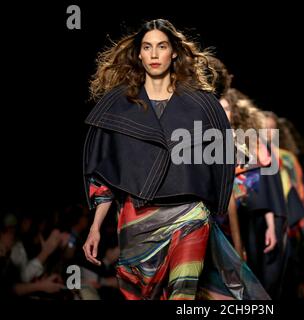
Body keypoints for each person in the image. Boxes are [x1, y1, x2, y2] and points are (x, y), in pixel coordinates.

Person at [82, 19, 269, 300]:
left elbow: (220, 165)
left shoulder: (201, 105)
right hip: (137, 220)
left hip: (189, 215)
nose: (155, 55)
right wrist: (95, 227)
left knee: (184, 295)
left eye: (161, 46)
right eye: (147, 47)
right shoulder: (119, 107)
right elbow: (106, 175)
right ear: (139, 54)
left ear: (174, 53)